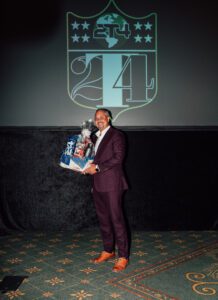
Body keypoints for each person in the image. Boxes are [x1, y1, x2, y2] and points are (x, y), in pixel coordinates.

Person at [83, 108, 129, 272]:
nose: (99, 120)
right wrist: (84, 166)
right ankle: (108, 251)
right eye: (97, 118)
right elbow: (91, 159)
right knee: (103, 220)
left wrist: (97, 168)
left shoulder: (117, 135)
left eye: (102, 117)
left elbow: (118, 158)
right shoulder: (94, 137)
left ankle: (123, 256)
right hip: (97, 184)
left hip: (112, 184)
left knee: (117, 220)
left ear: (109, 119)